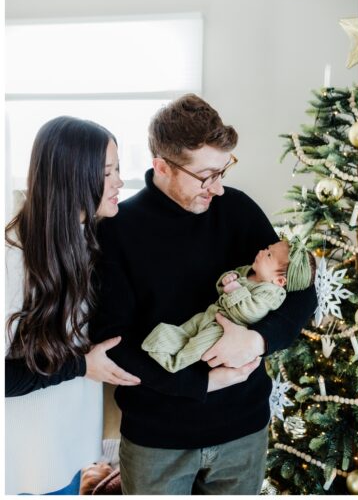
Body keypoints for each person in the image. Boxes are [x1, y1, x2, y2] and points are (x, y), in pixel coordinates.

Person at [89, 94, 317, 496]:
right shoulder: (117, 231)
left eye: (223, 170)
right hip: (156, 440)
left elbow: (301, 289)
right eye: (206, 176)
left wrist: (257, 339)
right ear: (161, 165)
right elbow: (113, 343)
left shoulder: (239, 211)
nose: (219, 188)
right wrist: (203, 384)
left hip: (243, 433)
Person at [5, 116, 140, 496]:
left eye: (119, 170)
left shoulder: (87, 238)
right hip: (27, 465)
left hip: (71, 453)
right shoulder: (12, 259)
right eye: (108, 172)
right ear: (72, 178)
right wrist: (80, 366)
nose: (118, 183)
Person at [142, 238, 315, 373]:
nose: (262, 251)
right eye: (267, 248)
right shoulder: (249, 271)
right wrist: (228, 279)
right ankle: (159, 342)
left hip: (224, 332)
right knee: (185, 330)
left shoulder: (272, 293)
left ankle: (174, 362)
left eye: (269, 255)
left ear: (279, 280)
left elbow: (250, 312)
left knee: (197, 345)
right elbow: (225, 285)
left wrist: (234, 289)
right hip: (211, 314)